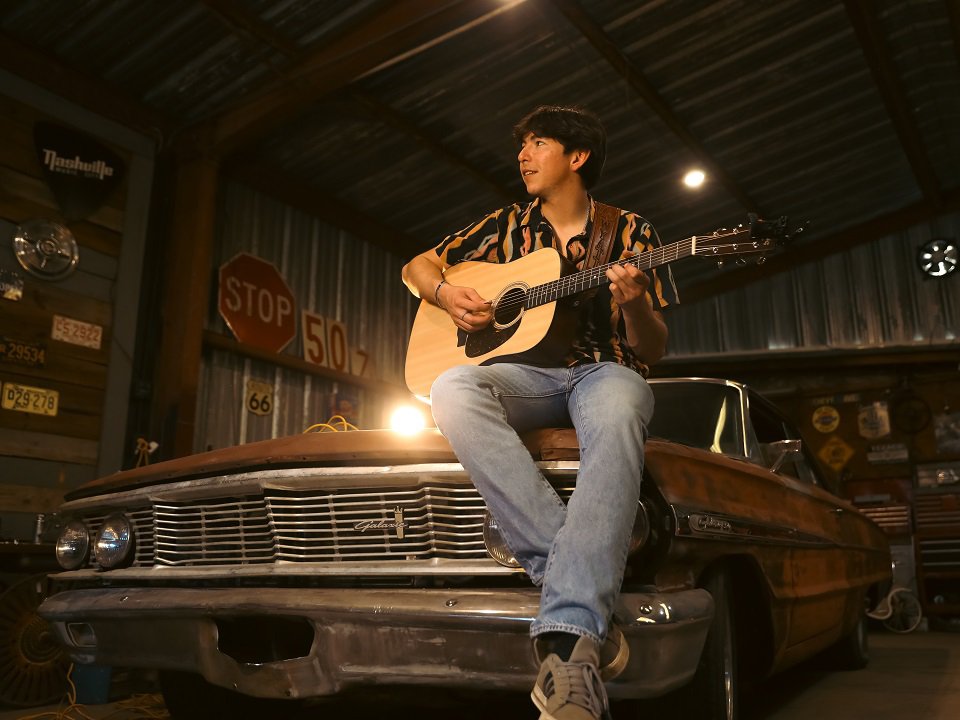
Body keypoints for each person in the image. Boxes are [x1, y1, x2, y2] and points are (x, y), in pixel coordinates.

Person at [401, 105, 678, 720]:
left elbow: (652, 348)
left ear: (577, 158)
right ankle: (577, 581)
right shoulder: (504, 227)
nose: (523, 155)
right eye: (522, 144)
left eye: (538, 143)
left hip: (603, 369)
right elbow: (417, 264)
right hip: (528, 374)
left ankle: (565, 638)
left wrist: (632, 306)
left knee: (625, 399)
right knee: (450, 388)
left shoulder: (632, 232)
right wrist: (446, 293)